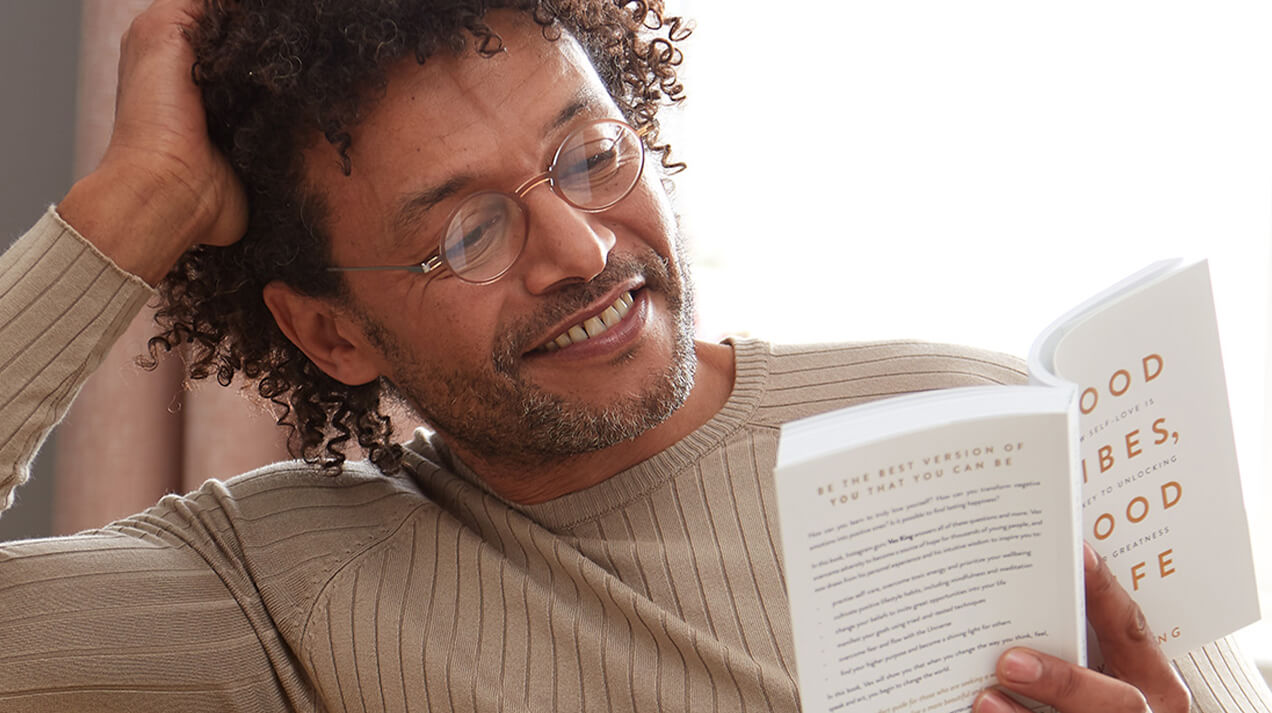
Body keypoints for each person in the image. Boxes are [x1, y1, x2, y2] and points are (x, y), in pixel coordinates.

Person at [0, 0, 1256, 711]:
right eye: (464, 230)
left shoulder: (977, 413)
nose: (580, 249)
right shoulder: (279, 586)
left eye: (590, 153)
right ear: (330, 330)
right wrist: (137, 203)